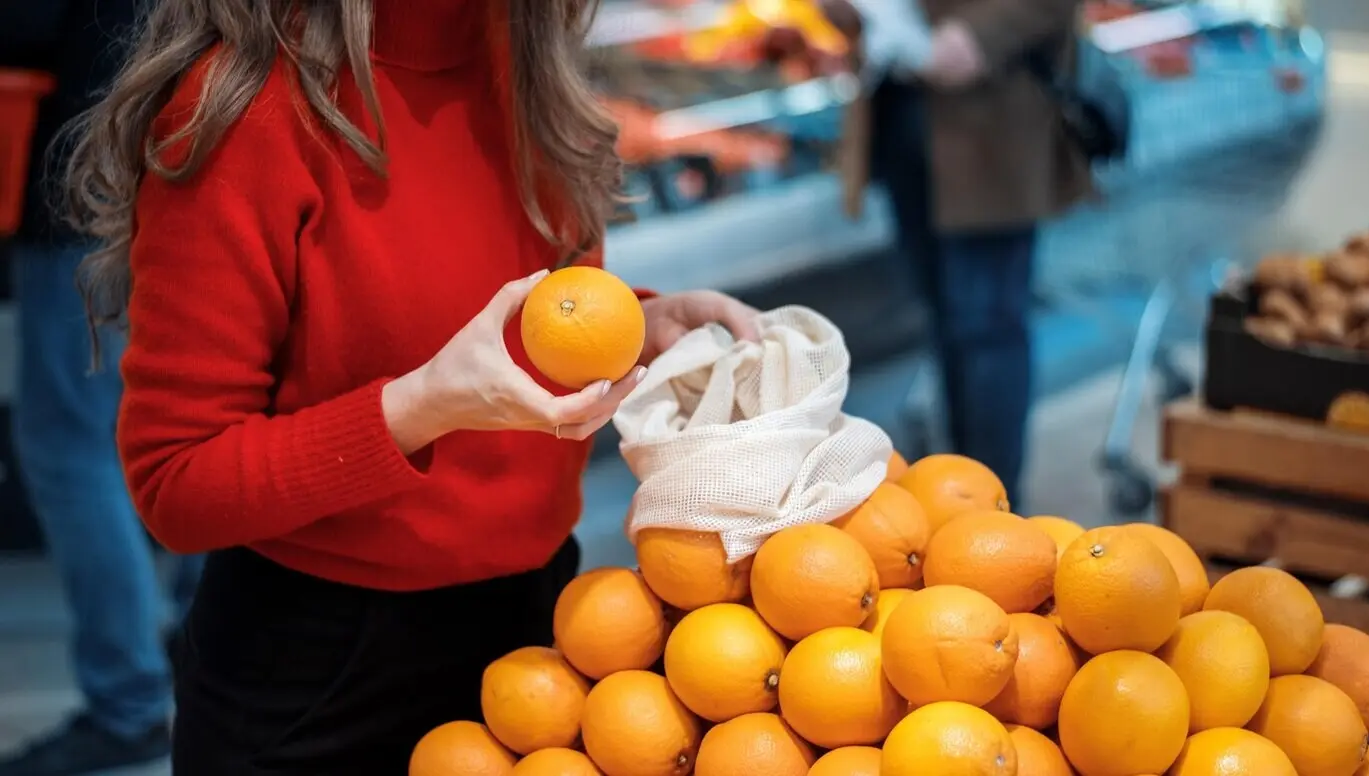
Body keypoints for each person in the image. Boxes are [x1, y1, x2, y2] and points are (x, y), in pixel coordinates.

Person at [56, 0, 758, 772]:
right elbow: (175, 482)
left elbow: (524, 321)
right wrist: (417, 409)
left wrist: (643, 329)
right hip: (321, 680)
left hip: (544, 638)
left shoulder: (527, 65)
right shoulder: (243, 104)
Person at [0, 2, 206, 774]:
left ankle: (128, 699)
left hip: (87, 177)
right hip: (186, 160)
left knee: (68, 446)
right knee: (198, 411)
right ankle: (197, 635)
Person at [828, 0, 1093, 507]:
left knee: (986, 328)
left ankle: (993, 514)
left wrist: (984, 33)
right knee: (948, 325)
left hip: (992, 116)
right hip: (900, 110)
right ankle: (960, 501)